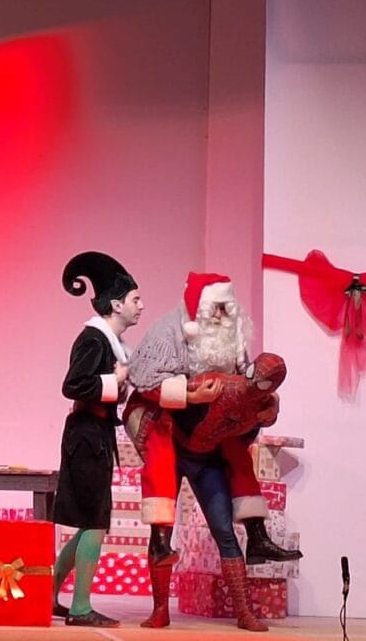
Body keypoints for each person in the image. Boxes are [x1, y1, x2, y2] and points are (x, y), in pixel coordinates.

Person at [125, 272, 300, 630]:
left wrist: (265, 407)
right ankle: (160, 609)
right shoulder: (166, 332)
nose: (221, 316)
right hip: (170, 440)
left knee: (224, 528)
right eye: (215, 308)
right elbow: (145, 381)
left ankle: (244, 611)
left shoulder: (232, 342)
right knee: (162, 530)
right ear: (200, 308)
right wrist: (191, 395)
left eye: (226, 308)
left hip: (209, 450)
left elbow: (248, 391)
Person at [51, 250, 144, 628]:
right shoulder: (93, 339)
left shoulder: (112, 344)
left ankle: (49, 595)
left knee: (93, 520)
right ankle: (79, 608)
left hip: (95, 436)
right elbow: (73, 385)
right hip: (87, 436)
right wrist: (115, 380)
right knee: (95, 520)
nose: (141, 306)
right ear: (116, 304)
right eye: (135, 299)